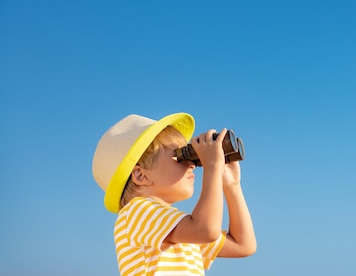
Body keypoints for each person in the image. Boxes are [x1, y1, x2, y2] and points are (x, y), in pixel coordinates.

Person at [92, 112, 256, 275]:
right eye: (180, 156)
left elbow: (242, 245)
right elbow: (206, 230)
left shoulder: (176, 227)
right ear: (141, 175)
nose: (192, 164)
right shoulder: (135, 212)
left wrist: (232, 185)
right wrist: (212, 166)